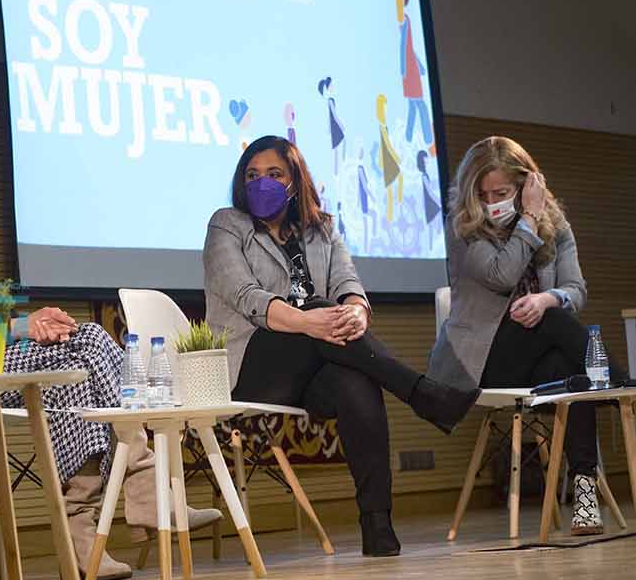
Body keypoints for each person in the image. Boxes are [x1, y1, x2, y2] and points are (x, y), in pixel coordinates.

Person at [0, 132, 221, 580]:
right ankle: (136, 494)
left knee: (85, 339)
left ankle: (102, 515)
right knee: (66, 365)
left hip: (0, 365)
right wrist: (20, 328)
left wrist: (36, 326)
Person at [203, 135, 478, 556]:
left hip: (312, 362)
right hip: (251, 365)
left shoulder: (322, 230)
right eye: (252, 175)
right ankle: (421, 392)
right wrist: (307, 320)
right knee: (317, 308)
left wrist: (357, 313)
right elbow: (245, 295)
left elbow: (349, 285)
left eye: (274, 174)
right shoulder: (226, 225)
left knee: (356, 382)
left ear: (294, 180)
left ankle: (377, 523)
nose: (262, 183)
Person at [429, 136, 628, 535]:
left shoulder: (557, 225)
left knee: (572, 375)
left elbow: (576, 289)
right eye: (483, 195)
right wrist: (529, 220)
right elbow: (502, 275)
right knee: (555, 325)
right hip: (482, 362)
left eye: (501, 193)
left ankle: (584, 495)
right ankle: (622, 386)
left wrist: (548, 298)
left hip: (538, 357)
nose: (491, 203)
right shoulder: (464, 228)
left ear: (525, 186)